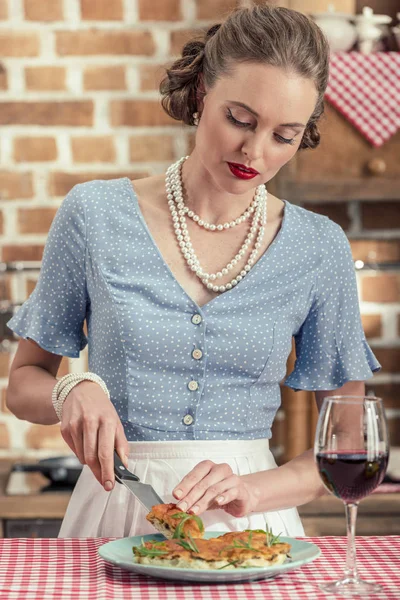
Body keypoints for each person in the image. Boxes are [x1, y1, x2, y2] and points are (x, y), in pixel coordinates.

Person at [6, 4, 380, 539]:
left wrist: (256, 490)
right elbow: (23, 386)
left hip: (251, 524)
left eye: (285, 135)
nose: (255, 151)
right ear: (203, 92)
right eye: (241, 120)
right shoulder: (94, 215)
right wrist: (72, 390)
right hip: (116, 511)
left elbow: (348, 443)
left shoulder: (318, 248)